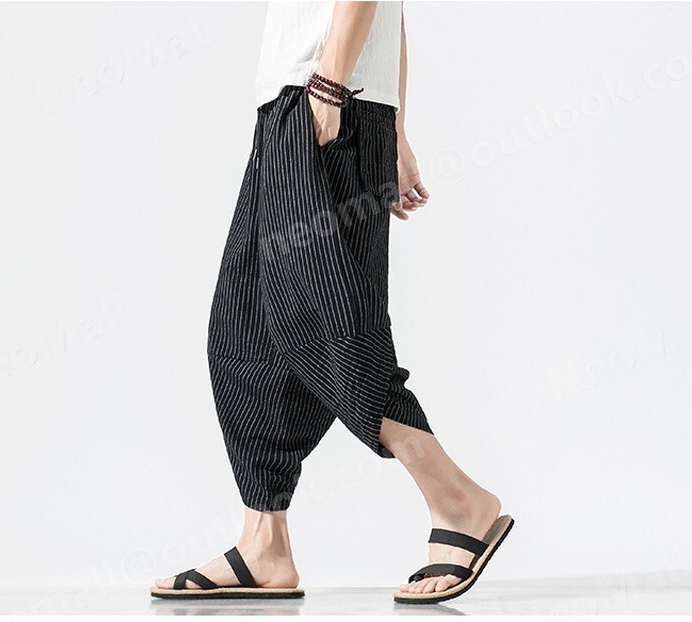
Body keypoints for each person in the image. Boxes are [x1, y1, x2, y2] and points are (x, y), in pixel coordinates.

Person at [150, 1, 513, 605]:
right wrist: (394, 128)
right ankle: (264, 542)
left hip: (325, 100)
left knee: (330, 326)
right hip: (305, 103)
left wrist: (331, 87)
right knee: (243, 335)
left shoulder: (327, 93)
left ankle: (457, 499)